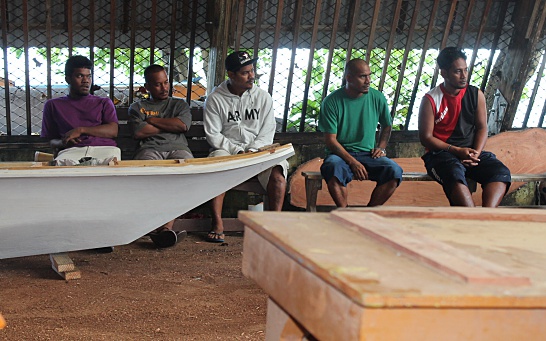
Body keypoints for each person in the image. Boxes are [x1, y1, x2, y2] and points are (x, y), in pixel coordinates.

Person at [203, 51, 288, 243]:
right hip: (228, 151)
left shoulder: (263, 97)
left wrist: (252, 151)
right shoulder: (215, 99)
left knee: (278, 171)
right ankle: (217, 223)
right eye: (245, 73)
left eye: (252, 71)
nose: (252, 76)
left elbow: (267, 132)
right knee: (215, 164)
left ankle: (273, 226)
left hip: (258, 150)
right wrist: (238, 152)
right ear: (231, 75)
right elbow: (213, 134)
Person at [418, 47, 511, 207]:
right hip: (442, 154)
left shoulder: (476, 94)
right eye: (457, 71)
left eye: (466, 70)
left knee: (500, 173)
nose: (464, 76)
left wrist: (476, 153)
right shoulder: (430, 99)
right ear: (444, 73)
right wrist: (456, 151)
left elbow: (482, 128)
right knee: (454, 173)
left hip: (471, 153)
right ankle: (471, 216)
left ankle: (487, 215)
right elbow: (426, 138)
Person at [318, 58, 403, 207]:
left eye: (369, 75)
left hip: (368, 153)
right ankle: (344, 213)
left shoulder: (377, 97)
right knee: (331, 167)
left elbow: (387, 126)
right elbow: (331, 140)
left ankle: (366, 213)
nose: (368, 80)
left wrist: (381, 147)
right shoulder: (331, 101)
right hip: (341, 155)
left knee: (394, 171)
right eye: (362, 76)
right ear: (349, 78)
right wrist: (353, 162)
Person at [128, 64, 193, 247]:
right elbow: (140, 132)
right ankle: (162, 229)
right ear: (147, 87)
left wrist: (153, 120)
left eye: (166, 82)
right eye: (158, 84)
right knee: (148, 180)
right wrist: (169, 124)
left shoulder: (179, 104)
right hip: (149, 150)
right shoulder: (138, 107)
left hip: (178, 148)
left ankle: (162, 228)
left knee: (187, 175)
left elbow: (182, 126)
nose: (164, 88)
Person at [41, 55, 120, 165]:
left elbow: (113, 131)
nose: (86, 81)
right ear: (67, 79)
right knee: (61, 169)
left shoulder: (103, 102)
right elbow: (51, 140)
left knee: (109, 166)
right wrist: (63, 142)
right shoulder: (53, 105)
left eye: (89, 77)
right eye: (80, 76)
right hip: (71, 151)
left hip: (104, 149)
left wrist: (81, 130)